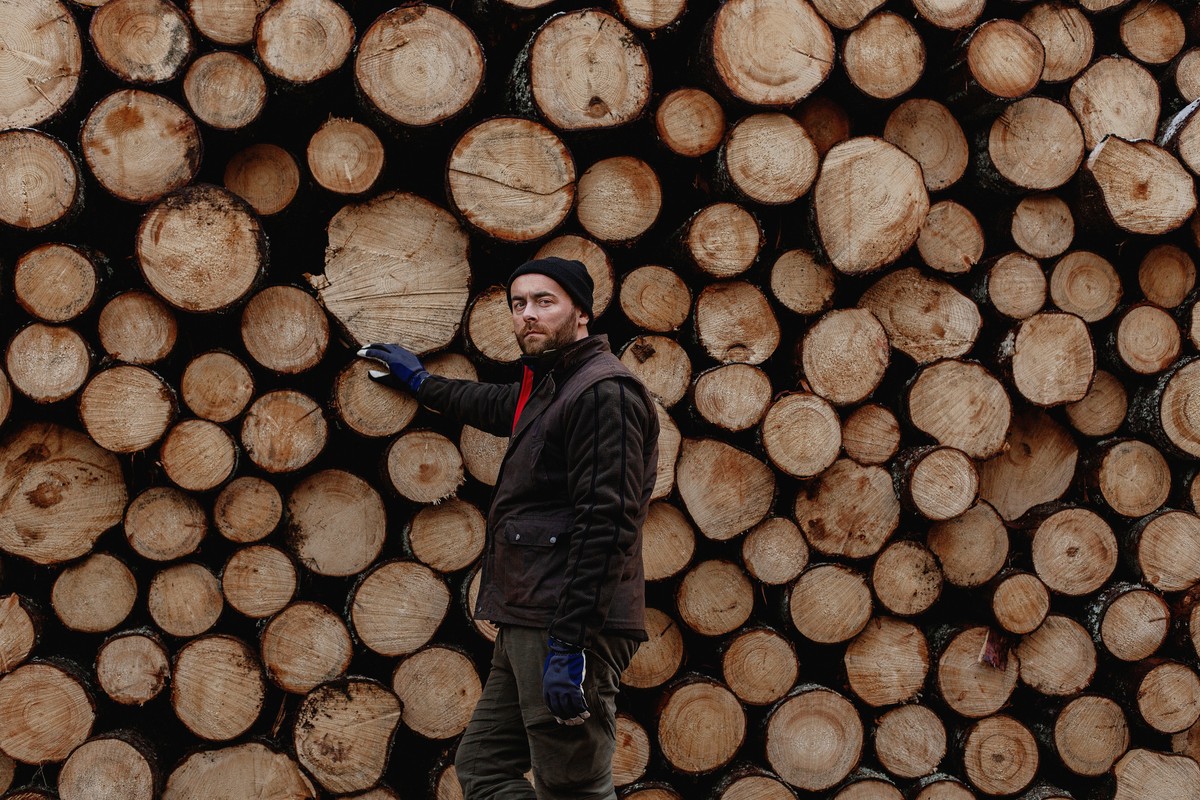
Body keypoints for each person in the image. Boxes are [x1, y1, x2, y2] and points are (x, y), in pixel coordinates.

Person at [359, 256, 660, 800]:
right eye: (518, 304)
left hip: (566, 623)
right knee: (484, 768)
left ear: (582, 312)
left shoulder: (602, 393)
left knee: (573, 789)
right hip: (531, 616)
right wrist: (421, 382)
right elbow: (491, 403)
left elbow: (608, 523)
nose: (528, 314)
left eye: (545, 301)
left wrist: (569, 642)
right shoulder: (553, 386)